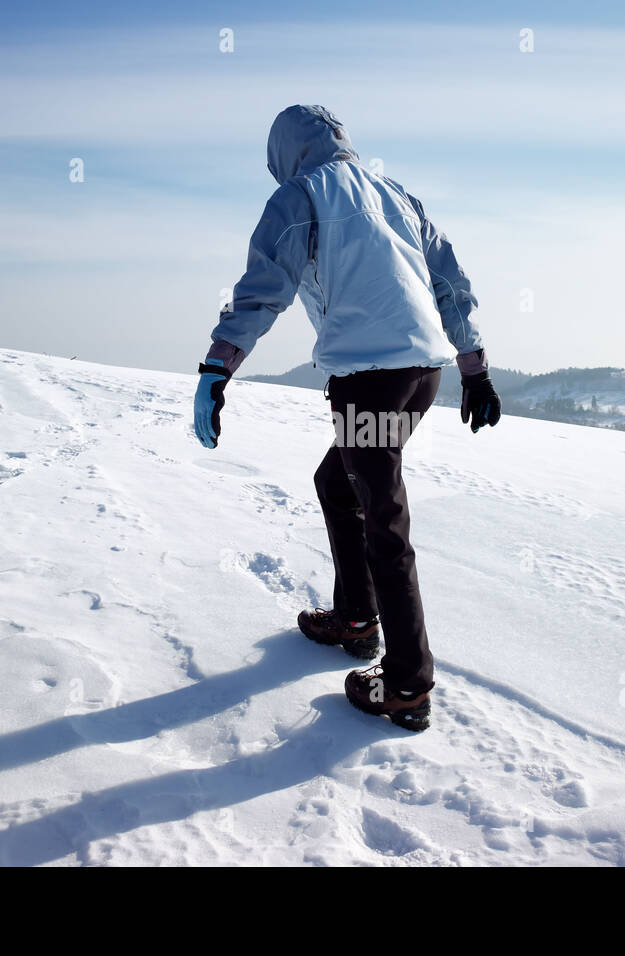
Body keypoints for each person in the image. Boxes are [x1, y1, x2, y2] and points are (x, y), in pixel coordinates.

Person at [193, 105, 500, 731]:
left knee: (384, 520)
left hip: (369, 382)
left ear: (285, 153)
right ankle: (357, 619)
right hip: (422, 378)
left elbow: (263, 287)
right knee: (339, 483)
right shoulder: (397, 196)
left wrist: (217, 368)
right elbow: (450, 283)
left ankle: (408, 685)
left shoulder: (301, 195)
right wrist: (474, 368)